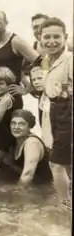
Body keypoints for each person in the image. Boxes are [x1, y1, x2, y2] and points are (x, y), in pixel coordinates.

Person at [39, 17, 72, 206]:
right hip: (52, 112)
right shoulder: (46, 60)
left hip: (67, 113)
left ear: (65, 37)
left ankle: (64, 205)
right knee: (62, 162)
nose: (51, 41)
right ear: (40, 38)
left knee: (56, 163)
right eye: (47, 37)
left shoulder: (69, 60)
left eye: (56, 37)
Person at [0, 9, 40, 109]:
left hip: (11, 98)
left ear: (6, 23)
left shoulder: (16, 41)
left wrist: (29, 87)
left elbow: (41, 61)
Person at [0, 110, 52, 186]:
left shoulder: (32, 143)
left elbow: (28, 174)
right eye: (13, 123)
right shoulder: (14, 140)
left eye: (21, 124)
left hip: (43, 188)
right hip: (30, 184)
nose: (16, 127)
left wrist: (17, 192)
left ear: (29, 126)